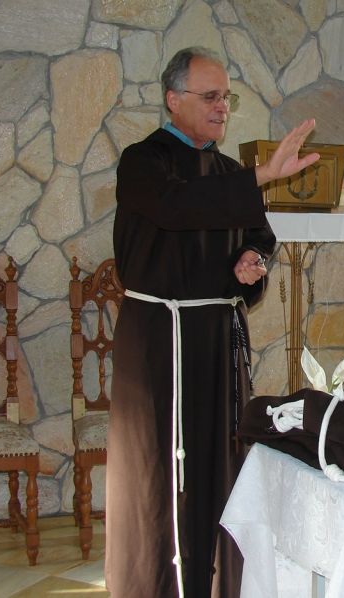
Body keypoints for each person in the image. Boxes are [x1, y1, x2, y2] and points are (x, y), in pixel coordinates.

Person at [107, 46, 319, 598]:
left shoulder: (228, 173)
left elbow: (260, 237)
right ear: (173, 99)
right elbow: (177, 208)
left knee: (219, 469)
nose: (222, 106)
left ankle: (219, 585)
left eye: (226, 97)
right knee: (158, 473)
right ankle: (154, 586)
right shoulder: (142, 162)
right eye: (210, 96)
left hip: (217, 343)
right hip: (160, 345)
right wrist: (262, 175)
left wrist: (253, 264)